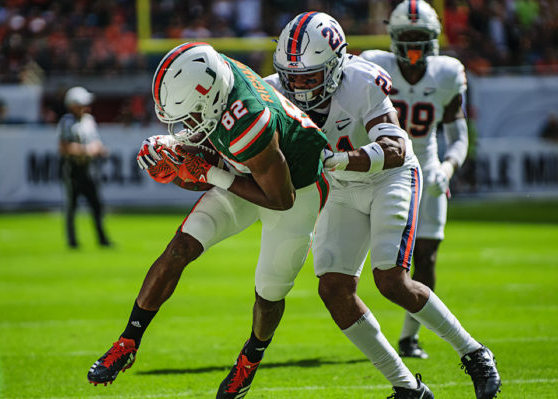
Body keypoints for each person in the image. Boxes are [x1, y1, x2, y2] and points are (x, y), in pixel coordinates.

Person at [267, 10, 500, 399]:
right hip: (340, 187)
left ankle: (475, 353)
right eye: (292, 77)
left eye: (310, 76)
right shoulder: (272, 88)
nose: (299, 87)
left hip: (389, 176)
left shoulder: (361, 79)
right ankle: (407, 387)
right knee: (333, 288)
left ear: (337, 64)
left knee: (391, 280)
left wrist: (341, 160)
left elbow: (394, 149)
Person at [86, 42, 330, 399]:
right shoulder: (216, 75)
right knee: (180, 246)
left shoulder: (248, 118)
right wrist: (175, 165)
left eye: (189, 116)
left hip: (296, 189)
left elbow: (281, 198)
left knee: (269, 291)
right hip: (247, 170)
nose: (185, 126)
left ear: (210, 99)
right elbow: (205, 164)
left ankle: (250, 360)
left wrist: (208, 172)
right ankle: (128, 340)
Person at [361, 0, 470, 361]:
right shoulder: (375, 66)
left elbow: (459, 135)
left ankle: (410, 337)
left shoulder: (447, 73)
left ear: (434, 39)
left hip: (427, 169)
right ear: (392, 38)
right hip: (381, 171)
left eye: (419, 37)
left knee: (426, 257)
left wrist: (448, 168)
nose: (412, 45)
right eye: (405, 36)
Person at [58, 86, 111, 249]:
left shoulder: (89, 120)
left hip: (90, 169)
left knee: (96, 204)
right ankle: (72, 241)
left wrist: (98, 149)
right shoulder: (66, 122)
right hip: (73, 169)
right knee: (72, 206)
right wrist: (86, 150)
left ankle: (102, 238)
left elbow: (96, 142)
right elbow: (64, 147)